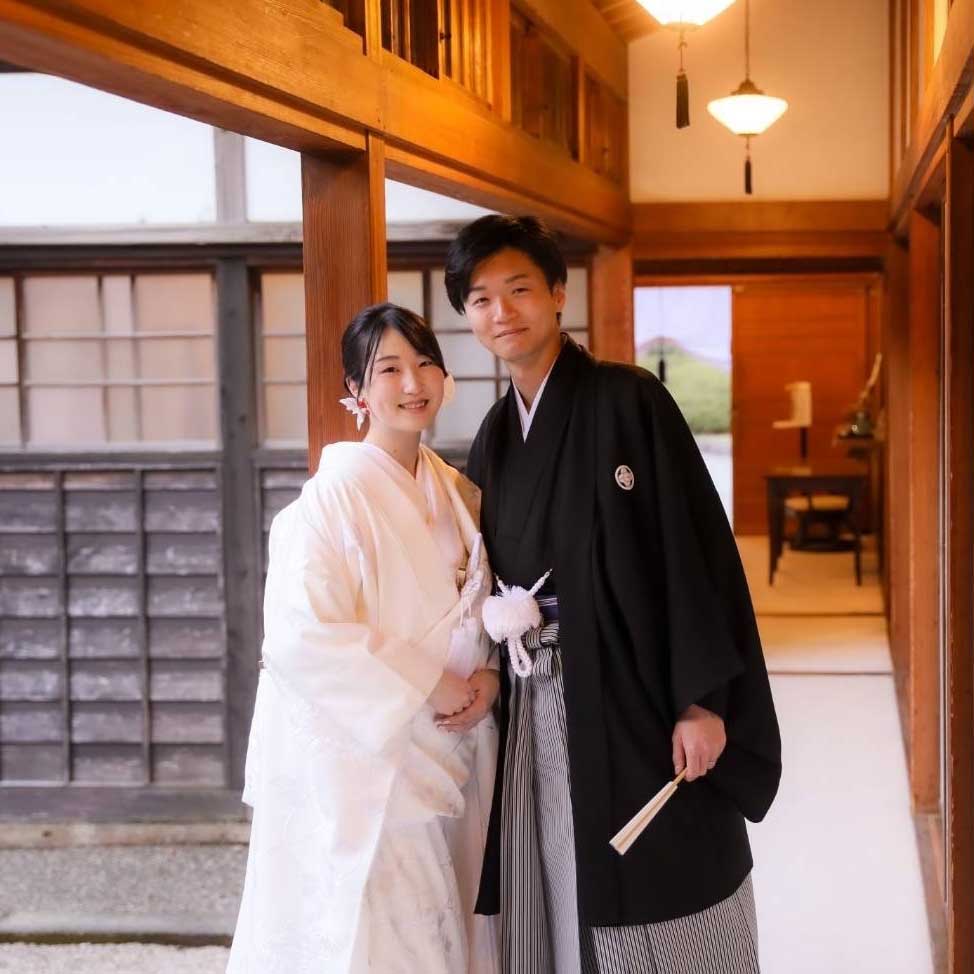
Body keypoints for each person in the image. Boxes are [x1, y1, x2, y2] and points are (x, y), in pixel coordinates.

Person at [446, 215, 782, 974]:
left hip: (637, 691)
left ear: (559, 293)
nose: (502, 312)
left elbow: (694, 553)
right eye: (480, 299)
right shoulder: (496, 436)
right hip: (542, 696)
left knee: (663, 859)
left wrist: (703, 700)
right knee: (563, 866)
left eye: (520, 289)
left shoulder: (629, 402)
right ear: (467, 317)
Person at [227, 303, 501, 974]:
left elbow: (482, 611)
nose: (413, 383)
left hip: (457, 740)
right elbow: (302, 635)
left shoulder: (457, 491)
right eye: (389, 369)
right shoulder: (331, 498)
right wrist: (430, 681)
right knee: (390, 934)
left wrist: (489, 678)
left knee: (452, 921)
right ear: (356, 392)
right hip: (377, 757)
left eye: (425, 363)